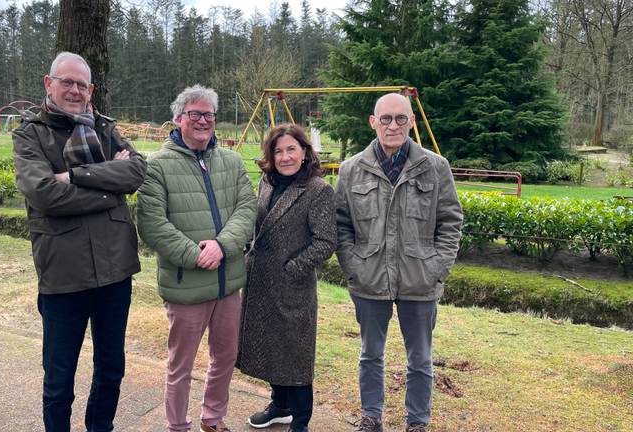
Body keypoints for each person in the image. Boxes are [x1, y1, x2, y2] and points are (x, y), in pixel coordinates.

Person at [13, 51, 146, 432]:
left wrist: (72, 176)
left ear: (91, 90)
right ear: (48, 84)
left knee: (111, 368)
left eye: (81, 84)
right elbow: (44, 194)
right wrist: (110, 185)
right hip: (63, 275)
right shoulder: (30, 134)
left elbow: (136, 171)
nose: (74, 90)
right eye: (66, 82)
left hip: (115, 271)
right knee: (59, 379)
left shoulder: (103, 127)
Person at [335, 93, 463, 432]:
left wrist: (438, 267)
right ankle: (371, 418)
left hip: (420, 279)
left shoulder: (436, 167)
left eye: (401, 119)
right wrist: (353, 265)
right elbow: (341, 224)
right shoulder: (351, 170)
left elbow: (451, 221)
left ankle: (417, 423)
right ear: (373, 122)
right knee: (370, 355)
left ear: (412, 122)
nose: (393, 125)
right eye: (386, 119)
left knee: (420, 359)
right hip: (369, 279)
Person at [136, 84, 257, 432]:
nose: (203, 120)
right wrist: (195, 255)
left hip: (228, 282)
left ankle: (213, 418)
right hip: (186, 284)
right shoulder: (157, 166)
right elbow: (152, 223)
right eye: (195, 114)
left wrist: (222, 245)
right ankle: (178, 425)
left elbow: (246, 209)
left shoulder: (232, 161)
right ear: (178, 119)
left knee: (225, 358)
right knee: (181, 364)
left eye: (209, 115)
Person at [236, 124, 336, 432]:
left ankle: (301, 421)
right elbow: (259, 222)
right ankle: (279, 406)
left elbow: (326, 241)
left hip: (293, 286)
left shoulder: (318, 190)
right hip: (261, 282)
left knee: (295, 354)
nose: (285, 157)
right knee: (270, 346)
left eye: (291, 149)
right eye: (278, 151)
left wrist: (293, 268)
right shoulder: (268, 180)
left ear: (305, 152)